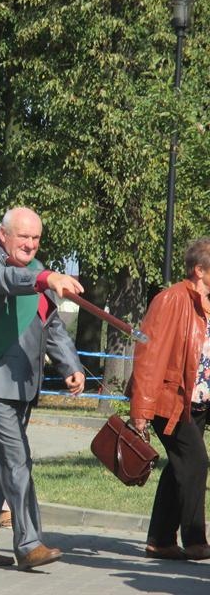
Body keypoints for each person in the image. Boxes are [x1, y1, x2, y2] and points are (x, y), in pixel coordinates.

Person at [0, 207, 85, 570]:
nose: (30, 244)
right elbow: (5, 280)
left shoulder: (38, 271)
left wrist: (71, 366)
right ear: (3, 235)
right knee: (17, 461)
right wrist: (44, 278)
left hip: (24, 386)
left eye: (36, 238)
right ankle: (29, 544)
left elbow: (52, 325)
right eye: (23, 236)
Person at [128, 237, 210, 561]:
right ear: (199, 270)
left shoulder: (206, 303)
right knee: (196, 462)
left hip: (198, 403)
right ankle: (195, 539)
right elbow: (149, 356)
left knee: (180, 465)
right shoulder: (171, 300)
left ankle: (160, 540)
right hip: (170, 400)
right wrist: (141, 409)